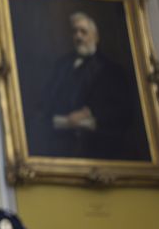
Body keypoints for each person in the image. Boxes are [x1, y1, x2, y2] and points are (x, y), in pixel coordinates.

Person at [28, 11, 144, 160]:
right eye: (75, 32)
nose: (79, 36)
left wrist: (89, 112)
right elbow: (47, 100)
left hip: (97, 143)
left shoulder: (111, 69)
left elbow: (122, 108)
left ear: (95, 37)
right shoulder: (62, 66)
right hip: (61, 138)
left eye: (83, 32)